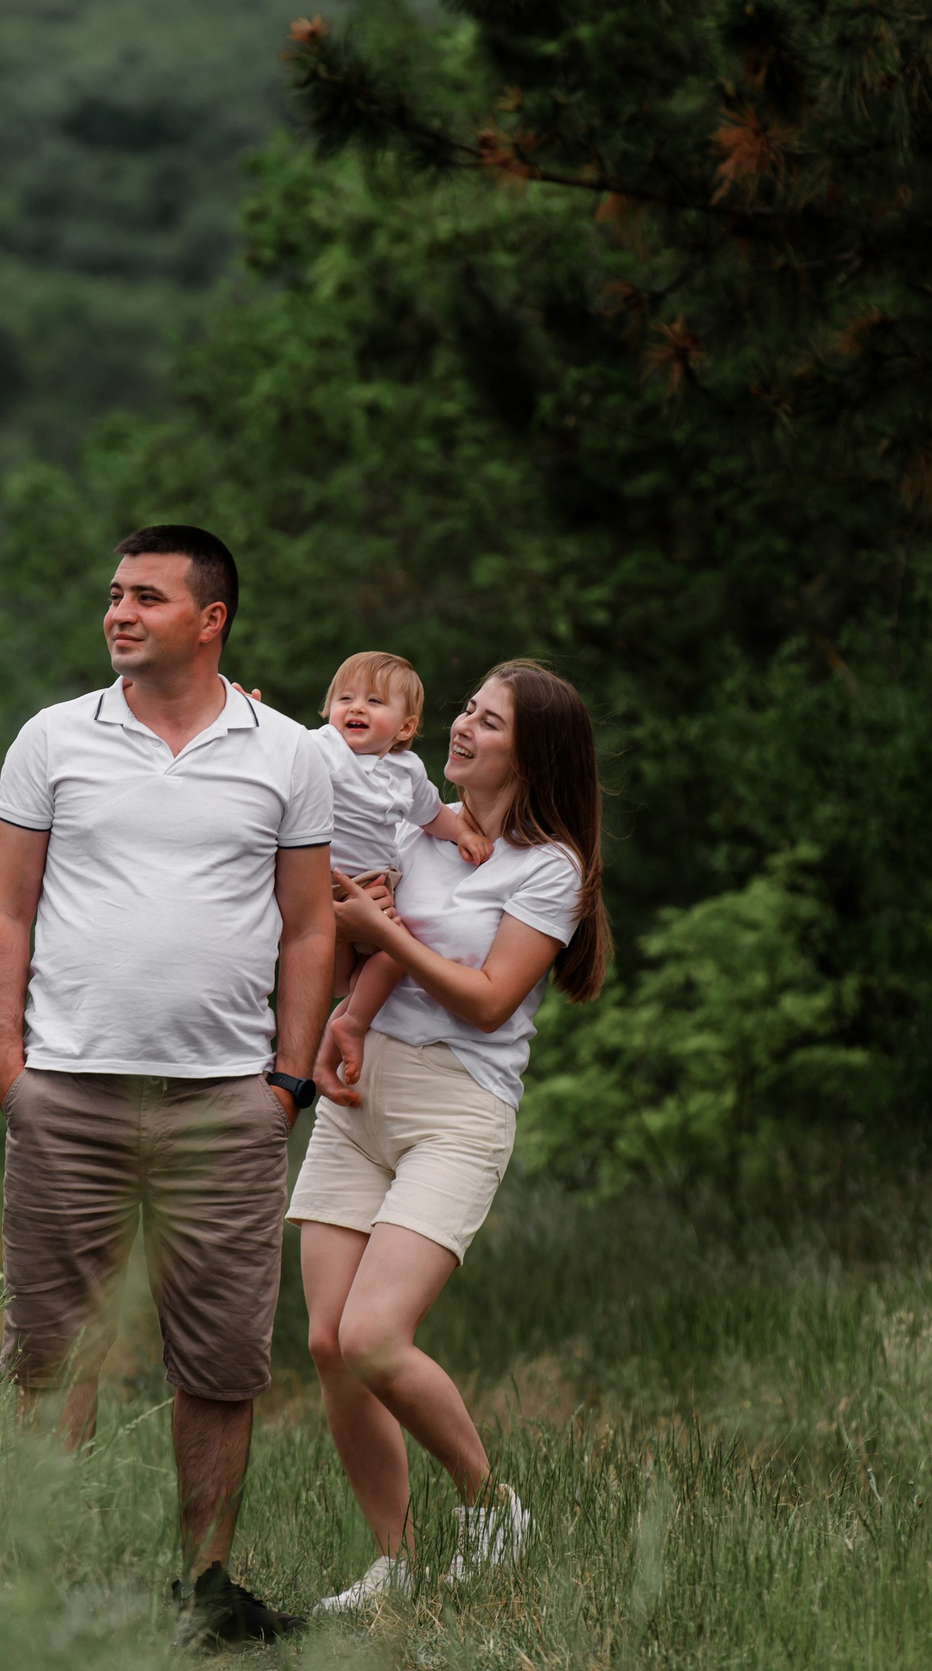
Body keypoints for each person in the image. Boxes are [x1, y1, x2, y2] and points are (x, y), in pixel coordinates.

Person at [0, 524, 336, 1645]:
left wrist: (287, 1079)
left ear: (210, 618)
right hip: (68, 1092)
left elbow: (311, 926)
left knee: (221, 1358)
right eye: (114, 594)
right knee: (53, 1348)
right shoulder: (52, 737)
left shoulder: (288, 752)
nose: (118, 613)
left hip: (225, 1100)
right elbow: (4, 907)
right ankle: (38, 1584)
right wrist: (12, 1071)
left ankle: (206, 1593)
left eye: (146, 596)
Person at [290, 659, 612, 1614]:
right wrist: (346, 1010)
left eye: (489, 721)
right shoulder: (416, 829)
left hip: (457, 1111)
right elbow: (367, 939)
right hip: (361, 1095)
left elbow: (486, 999)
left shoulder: (550, 867)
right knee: (327, 1343)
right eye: (466, 709)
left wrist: (380, 933)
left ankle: (492, 1507)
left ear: (534, 754)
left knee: (374, 1336)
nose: (462, 727)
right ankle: (394, 1562)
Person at [311, 650, 492, 994]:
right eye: (345, 698)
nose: (356, 707)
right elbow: (280, 749)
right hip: (319, 878)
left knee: (394, 955)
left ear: (405, 727)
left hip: (373, 884)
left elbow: (433, 815)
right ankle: (343, 1015)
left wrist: (463, 834)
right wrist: (252, 718)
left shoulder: (407, 769)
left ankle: (353, 1018)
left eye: (374, 701)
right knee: (330, 963)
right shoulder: (325, 746)